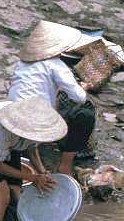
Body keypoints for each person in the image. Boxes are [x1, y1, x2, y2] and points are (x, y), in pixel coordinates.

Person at [8, 20, 96, 176]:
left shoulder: (21, 63)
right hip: (37, 123)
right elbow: (79, 98)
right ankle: (65, 164)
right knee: (85, 113)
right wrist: (84, 87)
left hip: (12, 119)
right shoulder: (56, 65)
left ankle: (29, 148)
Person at [0, 97, 64, 221]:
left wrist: (43, 173)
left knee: (17, 192)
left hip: (13, 142)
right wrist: (33, 177)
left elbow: (33, 151)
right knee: (3, 195)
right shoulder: (3, 127)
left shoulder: (36, 129)